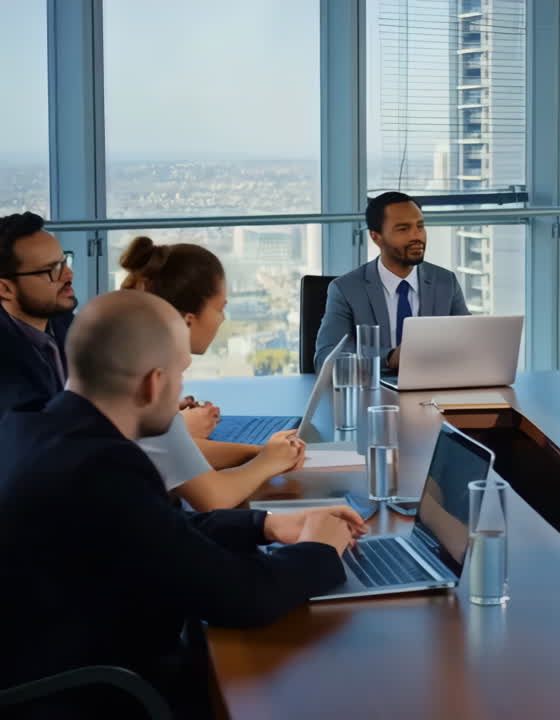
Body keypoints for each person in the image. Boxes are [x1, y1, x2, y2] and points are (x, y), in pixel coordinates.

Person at [0, 290, 364, 718]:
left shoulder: (34, 428)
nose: (182, 390)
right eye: (180, 375)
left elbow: (155, 530)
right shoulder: (103, 467)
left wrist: (265, 525)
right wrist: (319, 550)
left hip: (60, 659)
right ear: (154, 383)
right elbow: (240, 596)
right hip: (98, 695)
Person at [119, 236, 307, 510]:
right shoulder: (152, 389)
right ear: (187, 320)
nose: (222, 319)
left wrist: (260, 454)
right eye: (220, 308)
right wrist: (266, 463)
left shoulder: (130, 367)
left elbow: (179, 452)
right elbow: (214, 498)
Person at [313, 191, 470, 372]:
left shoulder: (446, 282)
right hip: (374, 388)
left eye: (420, 226)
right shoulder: (346, 290)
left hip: (434, 386)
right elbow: (325, 359)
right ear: (376, 236)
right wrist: (388, 358)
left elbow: (470, 343)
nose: (416, 236)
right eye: (403, 229)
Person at [0, 212, 76, 416]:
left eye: (65, 262)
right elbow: (38, 423)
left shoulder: (65, 320)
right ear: (5, 289)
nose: (69, 275)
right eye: (52, 270)